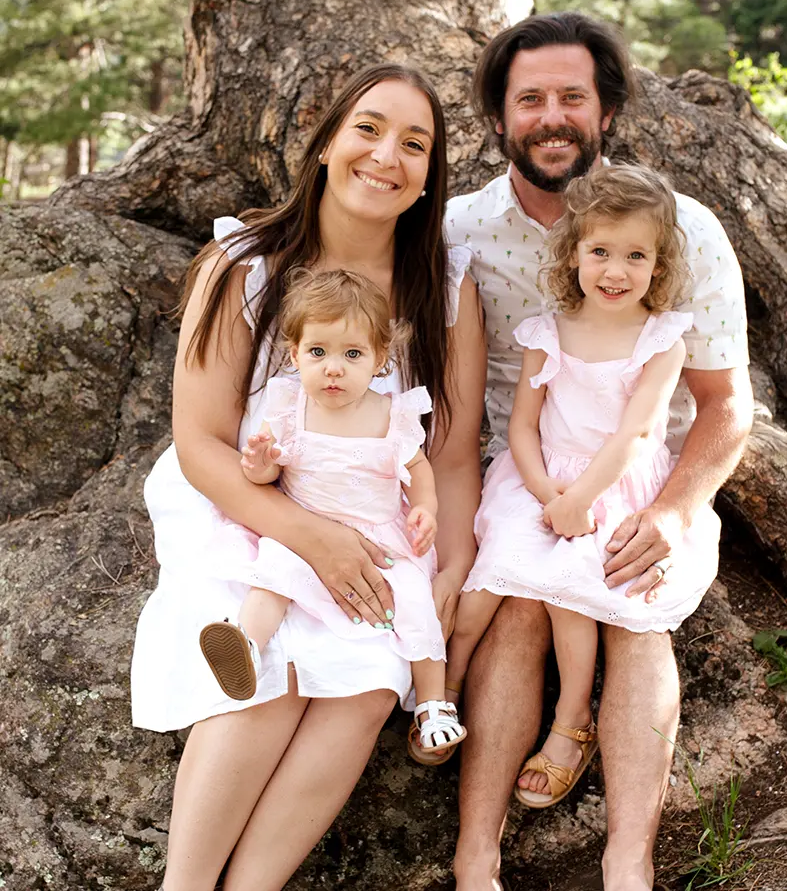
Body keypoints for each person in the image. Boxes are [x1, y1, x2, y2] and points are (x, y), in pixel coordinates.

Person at [131, 63, 485, 891]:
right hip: (246, 509)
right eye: (368, 128)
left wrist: (451, 565)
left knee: (365, 689)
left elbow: (454, 455)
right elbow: (200, 441)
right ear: (326, 143)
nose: (386, 155)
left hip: (374, 520)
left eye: (415, 143)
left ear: (430, 175)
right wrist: (309, 538)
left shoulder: (445, 287)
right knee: (271, 674)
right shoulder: (245, 263)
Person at [444, 13, 754, 891]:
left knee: (636, 608)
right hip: (524, 472)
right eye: (529, 98)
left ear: (606, 110)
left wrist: (671, 509)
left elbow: (726, 406)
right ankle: (476, 858)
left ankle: (629, 862)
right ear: (500, 118)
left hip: (635, 474)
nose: (552, 116)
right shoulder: (460, 230)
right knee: (513, 609)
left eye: (571, 97)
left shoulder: (683, 229)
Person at [448, 163, 721, 809]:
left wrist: (577, 502)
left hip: (616, 484)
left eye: (635, 256)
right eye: (600, 251)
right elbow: (521, 427)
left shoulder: (662, 341)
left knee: (571, 587)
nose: (615, 271)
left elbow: (633, 436)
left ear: (660, 264)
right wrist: (546, 494)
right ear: (574, 254)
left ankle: (573, 718)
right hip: (538, 478)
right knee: (484, 584)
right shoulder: (549, 332)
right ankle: (441, 692)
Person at [197, 267, 466, 753]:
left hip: (379, 536)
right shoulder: (289, 409)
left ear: (381, 359)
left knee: (414, 602)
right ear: (294, 353)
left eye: (352, 354)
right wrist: (258, 465)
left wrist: (425, 507)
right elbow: (267, 476)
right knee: (274, 574)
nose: (333, 368)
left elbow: (418, 468)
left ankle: (432, 703)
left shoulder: (391, 416)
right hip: (306, 529)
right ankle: (246, 648)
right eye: (317, 352)